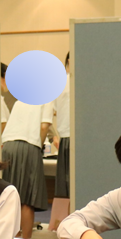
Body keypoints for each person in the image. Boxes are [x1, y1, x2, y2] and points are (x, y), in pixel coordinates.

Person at [1, 99, 53, 239]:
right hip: (29, 146)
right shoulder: (47, 99)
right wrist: (39, 146)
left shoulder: (21, 99)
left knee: (11, 197)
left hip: (8, 147)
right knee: (27, 198)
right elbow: (44, 127)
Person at [53, 52, 71, 199]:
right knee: (69, 183)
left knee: (66, 184)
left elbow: (53, 111)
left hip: (66, 136)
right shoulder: (62, 81)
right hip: (67, 135)